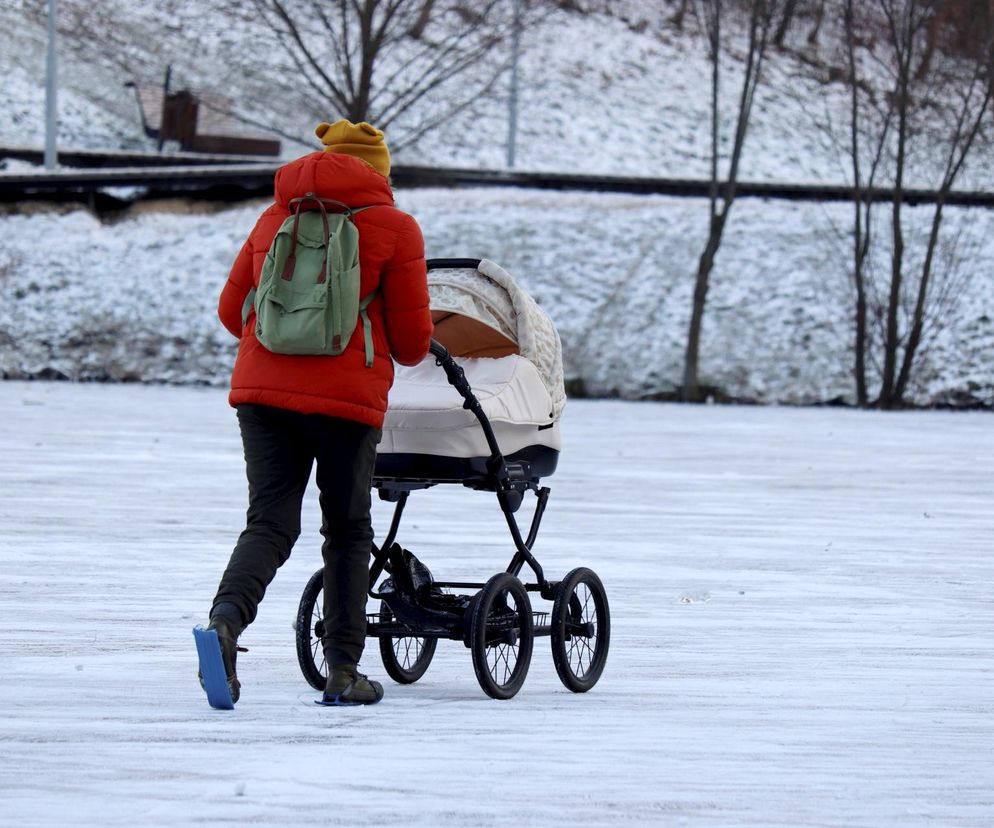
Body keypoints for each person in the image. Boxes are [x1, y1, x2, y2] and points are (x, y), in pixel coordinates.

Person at [204, 119, 433, 706]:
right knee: (348, 531)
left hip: (260, 396)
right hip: (346, 402)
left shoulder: (272, 218)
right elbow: (410, 344)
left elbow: (233, 314)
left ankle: (226, 621)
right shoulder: (396, 228)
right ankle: (342, 671)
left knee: (270, 521)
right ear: (380, 172)